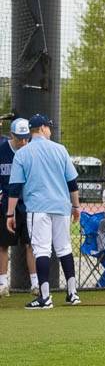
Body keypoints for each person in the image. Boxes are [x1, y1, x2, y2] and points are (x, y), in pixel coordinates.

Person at [5, 114, 80, 309]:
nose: (50, 130)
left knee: (41, 250)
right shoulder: (60, 149)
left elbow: (15, 187)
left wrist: (10, 214)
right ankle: (72, 294)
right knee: (64, 248)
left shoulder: (23, 153)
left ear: (31, 130)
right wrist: (76, 206)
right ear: (44, 128)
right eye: (49, 127)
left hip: (38, 208)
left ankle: (45, 297)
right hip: (62, 206)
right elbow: (72, 183)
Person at [0, 117, 37, 297]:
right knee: (3, 244)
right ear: (12, 135)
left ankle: (36, 284)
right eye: (19, 137)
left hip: (28, 204)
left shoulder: (31, 151)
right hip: (6, 204)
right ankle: (3, 284)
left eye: (26, 137)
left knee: (31, 244)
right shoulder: (2, 150)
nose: (23, 141)